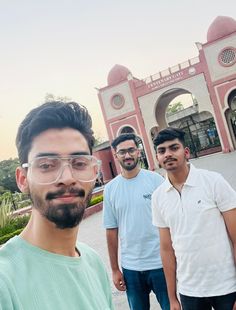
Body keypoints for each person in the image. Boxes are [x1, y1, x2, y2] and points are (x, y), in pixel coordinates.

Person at [0, 101, 114, 310]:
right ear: (23, 179)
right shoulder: (5, 281)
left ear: (94, 172)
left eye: (79, 163)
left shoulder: (93, 263)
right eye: (46, 165)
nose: (68, 178)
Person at [151, 127, 236, 310]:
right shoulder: (158, 197)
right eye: (162, 150)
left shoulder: (213, 182)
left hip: (226, 286)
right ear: (157, 158)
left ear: (186, 152)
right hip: (190, 290)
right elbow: (166, 250)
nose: (168, 154)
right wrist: (172, 298)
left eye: (174, 148)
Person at [103, 133, 170, 310]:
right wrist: (115, 269)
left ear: (138, 152)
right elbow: (111, 231)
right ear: (116, 155)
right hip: (131, 268)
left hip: (160, 263)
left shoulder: (155, 181)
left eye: (131, 150)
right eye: (122, 152)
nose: (127, 155)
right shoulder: (110, 189)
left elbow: (171, 221)